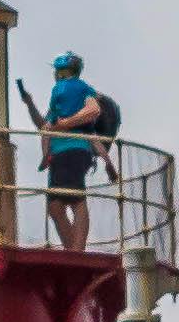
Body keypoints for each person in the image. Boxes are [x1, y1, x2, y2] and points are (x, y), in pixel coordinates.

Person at [33, 53, 120, 253]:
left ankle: (76, 251)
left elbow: (93, 112)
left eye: (61, 72)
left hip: (74, 151)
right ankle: (73, 250)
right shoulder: (58, 95)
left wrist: (66, 123)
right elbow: (47, 127)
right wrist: (46, 154)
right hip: (58, 155)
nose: (58, 76)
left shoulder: (81, 88)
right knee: (56, 206)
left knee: (76, 199)